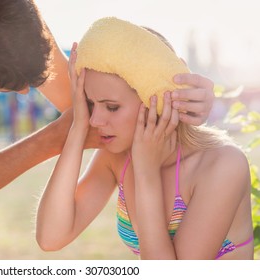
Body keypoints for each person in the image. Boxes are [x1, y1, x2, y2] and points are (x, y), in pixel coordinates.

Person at [0, 1, 214, 260]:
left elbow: (80, 100)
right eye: (8, 86)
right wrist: (52, 138)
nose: (25, 92)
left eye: (32, 79)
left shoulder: (2, 14)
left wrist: (182, 92)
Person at [35, 17, 254, 259]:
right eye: (90, 103)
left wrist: (146, 174)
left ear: (157, 98)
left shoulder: (222, 165)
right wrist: (77, 126)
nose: (95, 120)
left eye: (112, 107)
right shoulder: (115, 156)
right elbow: (50, 237)